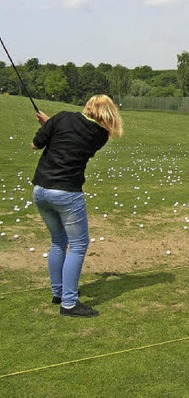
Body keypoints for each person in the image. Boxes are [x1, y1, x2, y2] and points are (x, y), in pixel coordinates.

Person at [32, 94, 124, 317]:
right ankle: (69, 303)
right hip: (66, 194)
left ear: (88, 107)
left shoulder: (62, 118)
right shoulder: (101, 135)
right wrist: (52, 125)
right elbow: (72, 136)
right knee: (78, 244)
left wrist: (50, 124)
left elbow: (36, 145)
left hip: (41, 190)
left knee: (58, 241)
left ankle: (59, 292)